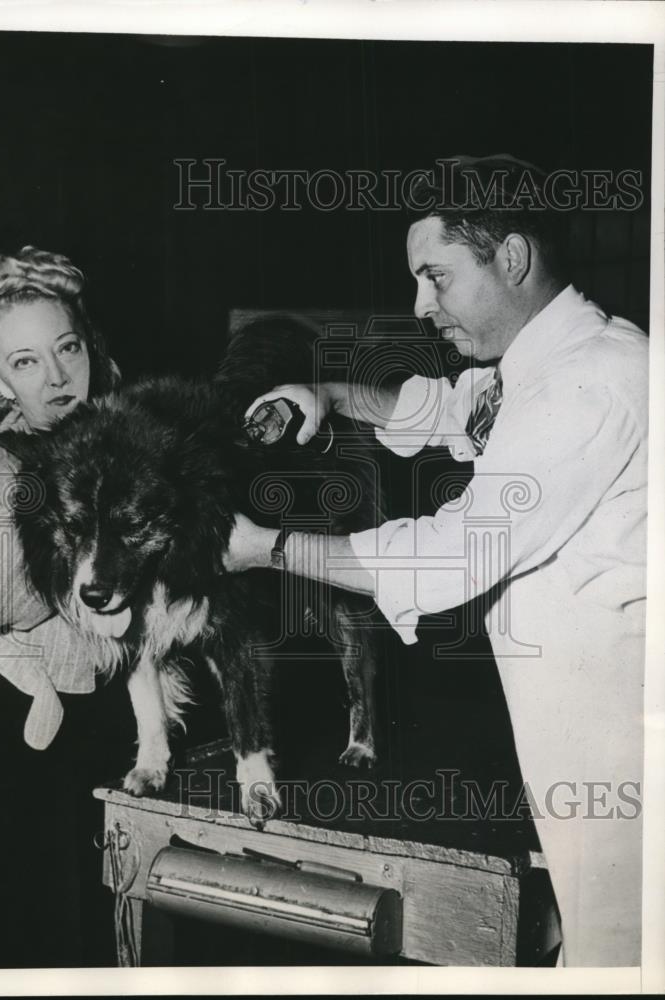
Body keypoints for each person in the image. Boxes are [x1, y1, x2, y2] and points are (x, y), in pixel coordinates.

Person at [225, 156, 648, 967]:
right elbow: (451, 408)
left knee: (617, 958)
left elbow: (454, 554)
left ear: (512, 260)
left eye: (436, 278)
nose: (421, 307)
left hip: (622, 755)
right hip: (572, 740)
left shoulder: (594, 384)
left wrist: (269, 547)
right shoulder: (541, 369)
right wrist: (329, 396)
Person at [0, 246, 130, 966]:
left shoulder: (136, 443)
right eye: (24, 361)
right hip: (19, 733)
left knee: (125, 941)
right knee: (36, 945)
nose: (56, 376)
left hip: (126, 720)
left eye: (67, 347)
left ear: (92, 347)